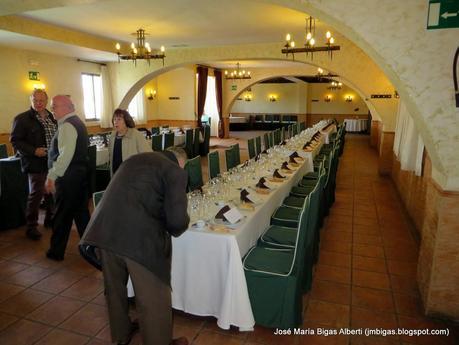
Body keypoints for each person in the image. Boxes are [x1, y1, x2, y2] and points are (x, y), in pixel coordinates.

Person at [80, 147, 190, 345]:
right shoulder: (175, 170)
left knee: (114, 291)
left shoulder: (134, 159)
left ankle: (121, 336)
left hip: (104, 232)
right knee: (154, 299)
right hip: (138, 241)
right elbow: (177, 223)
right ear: (181, 161)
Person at [45, 95, 90, 261]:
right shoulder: (77, 122)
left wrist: (51, 176)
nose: (52, 110)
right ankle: (90, 248)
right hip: (79, 177)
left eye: (54, 106)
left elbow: (65, 156)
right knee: (81, 214)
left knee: (62, 216)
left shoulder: (67, 126)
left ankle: (56, 252)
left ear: (66, 107)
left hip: (68, 178)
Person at [10, 89, 57, 240]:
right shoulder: (22, 119)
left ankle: (51, 219)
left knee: (52, 191)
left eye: (41, 100)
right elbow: (15, 141)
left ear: (46, 101)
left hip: (53, 162)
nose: (38, 103)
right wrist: (34, 151)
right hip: (35, 163)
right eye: (35, 100)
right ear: (31, 101)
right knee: (36, 194)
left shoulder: (52, 117)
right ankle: (31, 226)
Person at [109, 108, 151, 176]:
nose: (115, 122)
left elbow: (148, 155)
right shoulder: (112, 137)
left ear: (126, 121)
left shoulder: (135, 135)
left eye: (119, 119)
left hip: (133, 176)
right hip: (116, 176)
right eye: (114, 119)